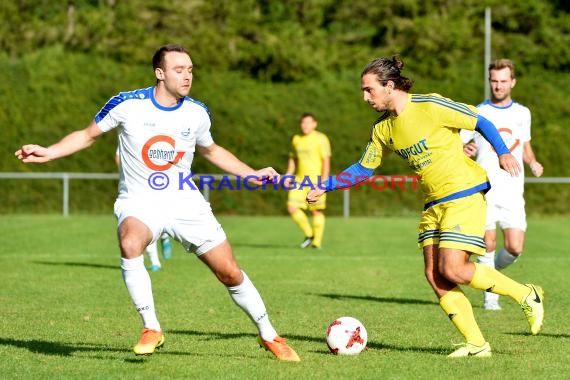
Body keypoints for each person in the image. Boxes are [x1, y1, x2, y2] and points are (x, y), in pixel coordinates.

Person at [15, 44, 300, 361]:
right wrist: (50, 151)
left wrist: (250, 173)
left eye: (190, 69)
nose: (187, 76)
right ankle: (151, 327)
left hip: (185, 202)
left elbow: (212, 151)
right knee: (130, 241)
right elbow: (87, 135)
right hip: (139, 201)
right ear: (159, 73)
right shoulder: (127, 104)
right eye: (179, 69)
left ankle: (269, 335)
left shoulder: (197, 112)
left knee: (230, 273)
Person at [307, 56, 545, 358]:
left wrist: (502, 153)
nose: (365, 97)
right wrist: (326, 185)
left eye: (369, 90)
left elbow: (481, 121)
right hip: (433, 202)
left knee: (453, 268)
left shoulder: (430, 105)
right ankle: (477, 344)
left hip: (463, 192)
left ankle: (527, 294)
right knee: (435, 275)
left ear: (389, 86)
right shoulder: (382, 129)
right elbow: (364, 168)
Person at [461, 59, 544, 311]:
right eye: (494, 81)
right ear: (490, 82)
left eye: (503, 81)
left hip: (513, 190)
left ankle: (489, 273)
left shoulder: (522, 113)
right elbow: (461, 143)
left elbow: (525, 148)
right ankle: (491, 297)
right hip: (485, 188)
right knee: (488, 243)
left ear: (513, 82)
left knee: (515, 247)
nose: (498, 86)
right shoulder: (478, 112)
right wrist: (464, 149)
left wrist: (533, 162)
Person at [115, 150, 173, 272]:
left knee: (159, 220)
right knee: (144, 225)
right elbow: (118, 157)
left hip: (155, 187)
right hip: (135, 192)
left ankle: (164, 236)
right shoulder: (126, 136)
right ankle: (155, 262)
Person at [284, 113, 331, 249]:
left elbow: (326, 160)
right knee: (292, 207)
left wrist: (324, 181)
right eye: (303, 123)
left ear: (315, 124)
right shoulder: (296, 139)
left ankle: (317, 242)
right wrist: (288, 175)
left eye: (308, 123)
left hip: (316, 181)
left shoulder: (321, 138)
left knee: (316, 211)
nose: (305, 125)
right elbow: (293, 159)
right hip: (299, 181)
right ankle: (310, 234)